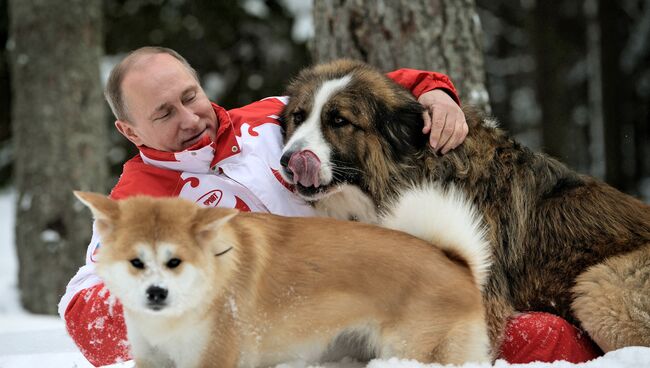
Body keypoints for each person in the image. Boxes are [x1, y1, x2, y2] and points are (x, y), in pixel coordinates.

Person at [58, 46, 599, 366]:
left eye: (190, 95)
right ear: (128, 130)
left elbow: (375, 89)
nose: (191, 117)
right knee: (516, 341)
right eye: (163, 114)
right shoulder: (139, 197)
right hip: (302, 334)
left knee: (547, 331)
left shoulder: (270, 118)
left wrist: (435, 92)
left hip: (396, 287)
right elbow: (86, 308)